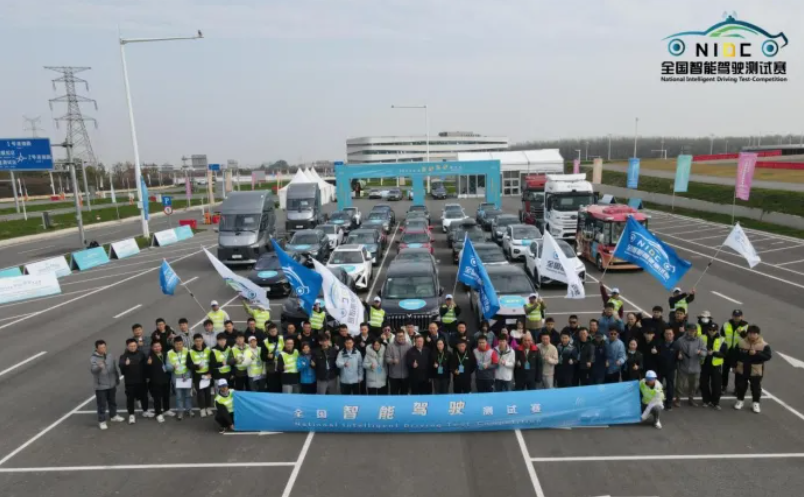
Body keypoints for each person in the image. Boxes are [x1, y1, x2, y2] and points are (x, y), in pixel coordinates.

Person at [734, 325, 772, 413]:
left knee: (755, 387)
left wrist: (756, 354)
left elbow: (768, 356)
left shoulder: (764, 345)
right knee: (741, 386)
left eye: (754, 334)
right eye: (750, 333)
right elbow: (735, 355)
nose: (752, 335)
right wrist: (734, 366)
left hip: (756, 369)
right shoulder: (741, 343)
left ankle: (756, 403)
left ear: (758, 334)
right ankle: (740, 400)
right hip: (742, 368)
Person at [91, 340, 124, 430]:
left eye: (104, 347)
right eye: (101, 347)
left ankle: (113, 416)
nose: (103, 349)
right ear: (96, 348)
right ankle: (102, 421)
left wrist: (117, 379)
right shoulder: (93, 359)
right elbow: (93, 371)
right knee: (101, 404)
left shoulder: (109, 355)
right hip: (101, 386)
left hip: (111, 384)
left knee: (112, 401)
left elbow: (114, 368)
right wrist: (99, 367)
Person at [673, 323, 706, 407]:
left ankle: (691, 399)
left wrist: (700, 352)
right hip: (683, 366)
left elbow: (705, 352)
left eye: (694, 330)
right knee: (679, 384)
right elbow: (675, 350)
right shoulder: (680, 340)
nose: (692, 332)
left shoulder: (700, 341)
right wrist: (678, 355)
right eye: (690, 330)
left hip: (695, 367)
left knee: (694, 385)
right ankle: (678, 399)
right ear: (686, 330)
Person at [119, 338, 148, 424]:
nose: (133, 347)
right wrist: (125, 364)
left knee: (144, 396)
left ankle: (145, 411)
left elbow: (146, 364)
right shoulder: (123, 356)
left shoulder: (141, 354)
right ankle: (131, 414)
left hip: (141, 380)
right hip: (130, 382)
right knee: (130, 399)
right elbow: (121, 367)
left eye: (134, 346)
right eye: (131, 346)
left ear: (137, 346)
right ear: (127, 346)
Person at [721, 309, 749, 393]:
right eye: (735, 316)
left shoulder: (746, 326)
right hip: (728, 350)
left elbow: (748, 339)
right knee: (725, 370)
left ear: (741, 316)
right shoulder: (726, 324)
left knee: (738, 371)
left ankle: (737, 388)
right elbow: (722, 337)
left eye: (738, 316)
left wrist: (742, 333)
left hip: (739, 352)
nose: (736, 317)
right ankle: (724, 386)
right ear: (732, 316)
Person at [700, 322, 727, 409]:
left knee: (716, 384)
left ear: (717, 330)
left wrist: (714, 353)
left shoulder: (722, 340)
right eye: (710, 330)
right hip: (704, 364)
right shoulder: (702, 338)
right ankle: (706, 400)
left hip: (716, 365)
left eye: (714, 330)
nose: (711, 331)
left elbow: (724, 354)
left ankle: (715, 402)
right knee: (704, 383)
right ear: (707, 330)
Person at [166, 336, 193, 420]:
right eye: (177, 344)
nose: (178, 346)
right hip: (176, 377)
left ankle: (189, 410)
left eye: (180, 344)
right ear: (174, 344)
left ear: (183, 344)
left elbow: (190, 364)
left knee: (188, 395)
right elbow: (167, 367)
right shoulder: (169, 353)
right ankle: (180, 412)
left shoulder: (187, 351)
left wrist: (188, 375)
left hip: (186, 376)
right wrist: (172, 367)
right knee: (179, 396)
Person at [146, 341, 172, 423]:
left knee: (166, 395)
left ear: (161, 346)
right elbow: (146, 371)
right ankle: (158, 413)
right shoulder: (150, 357)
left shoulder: (165, 354)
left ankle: (166, 410)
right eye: (155, 346)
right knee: (157, 398)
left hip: (165, 379)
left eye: (159, 346)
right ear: (152, 348)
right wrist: (148, 365)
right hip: (155, 381)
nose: (157, 348)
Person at [188, 333, 213, 417]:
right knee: (200, 393)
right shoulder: (191, 351)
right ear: (194, 341)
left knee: (208, 392)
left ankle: (208, 407)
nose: (198, 342)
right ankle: (202, 409)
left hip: (207, 374)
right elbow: (189, 364)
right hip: (198, 376)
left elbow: (211, 363)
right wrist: (196, 367)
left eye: (200, 340)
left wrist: (210, 373)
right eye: (196, 341)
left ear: (202, 340)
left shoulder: (208, 349)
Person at [656, 329, 678, 411]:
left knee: (670, 387)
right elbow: (657, 356)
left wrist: (680, 358)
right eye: (667, 334)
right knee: (658, 387)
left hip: (670, 370)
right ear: (664, 335)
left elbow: (678, 357)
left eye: (670, 334)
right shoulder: (659, 344)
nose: (668, 335)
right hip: (660, 369)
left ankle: (669, 403)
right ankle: (659, 402)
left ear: (673, 335)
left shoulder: (676, 345)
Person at [386, 329, 412, 395]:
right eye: (398, 336)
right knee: (394, 394)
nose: (400, 338)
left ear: (404, 336)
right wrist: (392, 361)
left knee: (404, 394)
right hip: (394, 376)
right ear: (395, 337)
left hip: (406, 375)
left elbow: (412, 358)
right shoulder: (390, 346)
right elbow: (387, 358)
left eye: (402, 336)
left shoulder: (409, 346)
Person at [261, 324, 284, 393]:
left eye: (275, 331)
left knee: (282, 386)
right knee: (272, 387)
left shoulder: (282, 338)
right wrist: (267, 357)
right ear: (268, 332)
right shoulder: (265, 341)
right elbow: (262, 357)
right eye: (272, 331)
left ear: (277, 330)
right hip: (271, 368)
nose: (274, 332)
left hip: (282, 367)